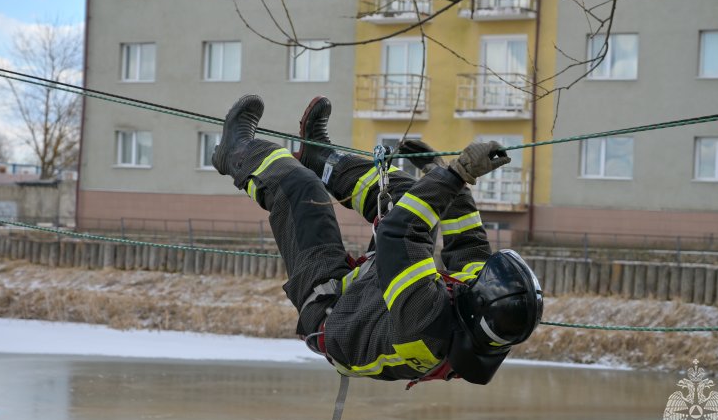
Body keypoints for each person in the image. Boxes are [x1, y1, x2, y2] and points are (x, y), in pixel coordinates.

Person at [212, 94, 543, 386]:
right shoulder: (490, 320)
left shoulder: (426, 319)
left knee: (300, 190)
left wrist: (456, 173)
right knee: (406, 194)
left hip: (333, 308)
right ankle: (321, 160)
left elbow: (398, 232)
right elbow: (467, 241)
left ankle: (236, 153)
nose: (478, 276)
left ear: (477, 302)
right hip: (378, 296)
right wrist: (441, 175)